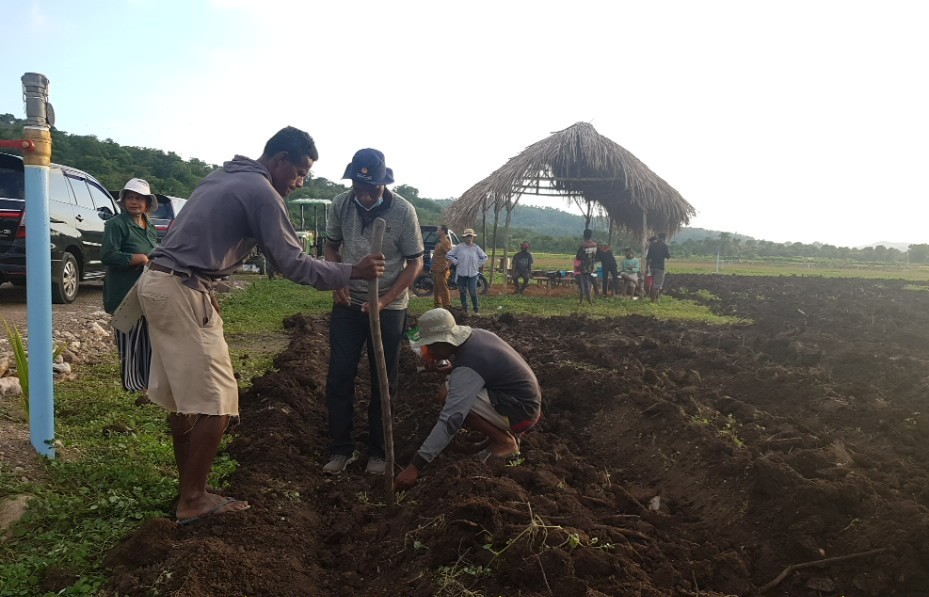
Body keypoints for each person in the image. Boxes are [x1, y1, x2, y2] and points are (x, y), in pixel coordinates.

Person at [137, 127, 385, 525]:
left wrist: (205, 283)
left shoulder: (226, 176)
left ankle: (189, 490)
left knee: (185, 400)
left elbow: (195, 240)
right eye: (300, 172)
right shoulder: (262, 193)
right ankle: (194, 500)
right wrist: (351, 271)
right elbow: (292, 262)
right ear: (280, 160)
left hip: (163, 282)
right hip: (180, 289)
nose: (301, 181)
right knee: (217, 400)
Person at [323, 148, 424, 476]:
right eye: (359, 187)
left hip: (389, 306)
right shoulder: (341, 204)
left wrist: (385, 300)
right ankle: (342, 449)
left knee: (383, 379)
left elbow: (415, 261)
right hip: (349, 302)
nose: (364, 195)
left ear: (384, 184)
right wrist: (337, 279)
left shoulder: (404, 212)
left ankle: (379, 452)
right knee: (340, 375)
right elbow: (331, 246)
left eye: (372, 189)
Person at [395, 308, 542, 489]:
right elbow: (483, 370)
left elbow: (451, 419)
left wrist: (415, 466)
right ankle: (499, 436)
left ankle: (506, 442)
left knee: (451, 398)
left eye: (431, 346)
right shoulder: (477, 336)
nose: (429, 351)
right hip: (520, 400)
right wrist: (452, 369)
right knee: (451, 391)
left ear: (444, 340)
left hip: (521, 413)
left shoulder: (470, 366)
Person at [101, 178, 158, 392]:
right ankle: (133, 384)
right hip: (124, 290)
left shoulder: (149, 225)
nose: (134, 202)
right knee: (130, 338)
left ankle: (149, 382)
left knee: (148, 337)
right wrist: (138, 258)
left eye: (139, 198)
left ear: (146, 203)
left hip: (146, 288)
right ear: (123, 201)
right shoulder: (116, 224)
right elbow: (108, 255)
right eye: (130, 197)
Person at [447, 229, 487, 314]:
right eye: (467, 237)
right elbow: (449, 255)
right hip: (462, 273)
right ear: (464, 238)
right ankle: (465, 310)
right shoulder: (459, 247)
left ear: (473, 238)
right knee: (462, 291)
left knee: (472, 291)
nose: (469, 238)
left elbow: (484, 257)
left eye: (470, 237)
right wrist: (456, 262)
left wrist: (478, 264)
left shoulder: (476, 248)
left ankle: (476, 310)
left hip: (472, 273)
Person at [432, 225, 453, 308]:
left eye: (438, 230)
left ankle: (447, 306)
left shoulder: (445, 242)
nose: (436, 232)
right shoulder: (440, 242)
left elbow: (452, 255)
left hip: (441, 269)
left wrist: (447, 267)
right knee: (436, 289)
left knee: (443, 289)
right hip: (436, 269)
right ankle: (437, 306)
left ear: (443, 231)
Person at [646, 232, 671, 302]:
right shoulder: (664, 246)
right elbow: (668, 256)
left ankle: (655, 299)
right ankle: (653, 301)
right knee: (656, 285)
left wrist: (646, 268)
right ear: (664, 238)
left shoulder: (652, 245)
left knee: (653, 283)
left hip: (652, 266)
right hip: (660, 267)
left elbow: (648, 258)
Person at [575, 229, 597, 304]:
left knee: (582, 285)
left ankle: (581, 302)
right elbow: (594, 256)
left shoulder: (582, 245)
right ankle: (590, 302)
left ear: (584, 235)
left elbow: (578, 257)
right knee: (588, 283)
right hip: (590, 268)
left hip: (582, 268)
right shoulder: (594, 245)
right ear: (591, 236)